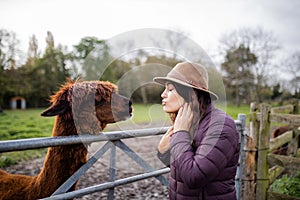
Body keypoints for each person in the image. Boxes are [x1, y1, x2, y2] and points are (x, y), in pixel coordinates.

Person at [153, 62, 240, 200]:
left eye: (170, 90)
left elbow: (194, 177)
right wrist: (163, 152)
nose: (163, 95)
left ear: (190, 93)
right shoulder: (191, 122)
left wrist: (180, 134)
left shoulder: (220, 127)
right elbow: (181, 168)